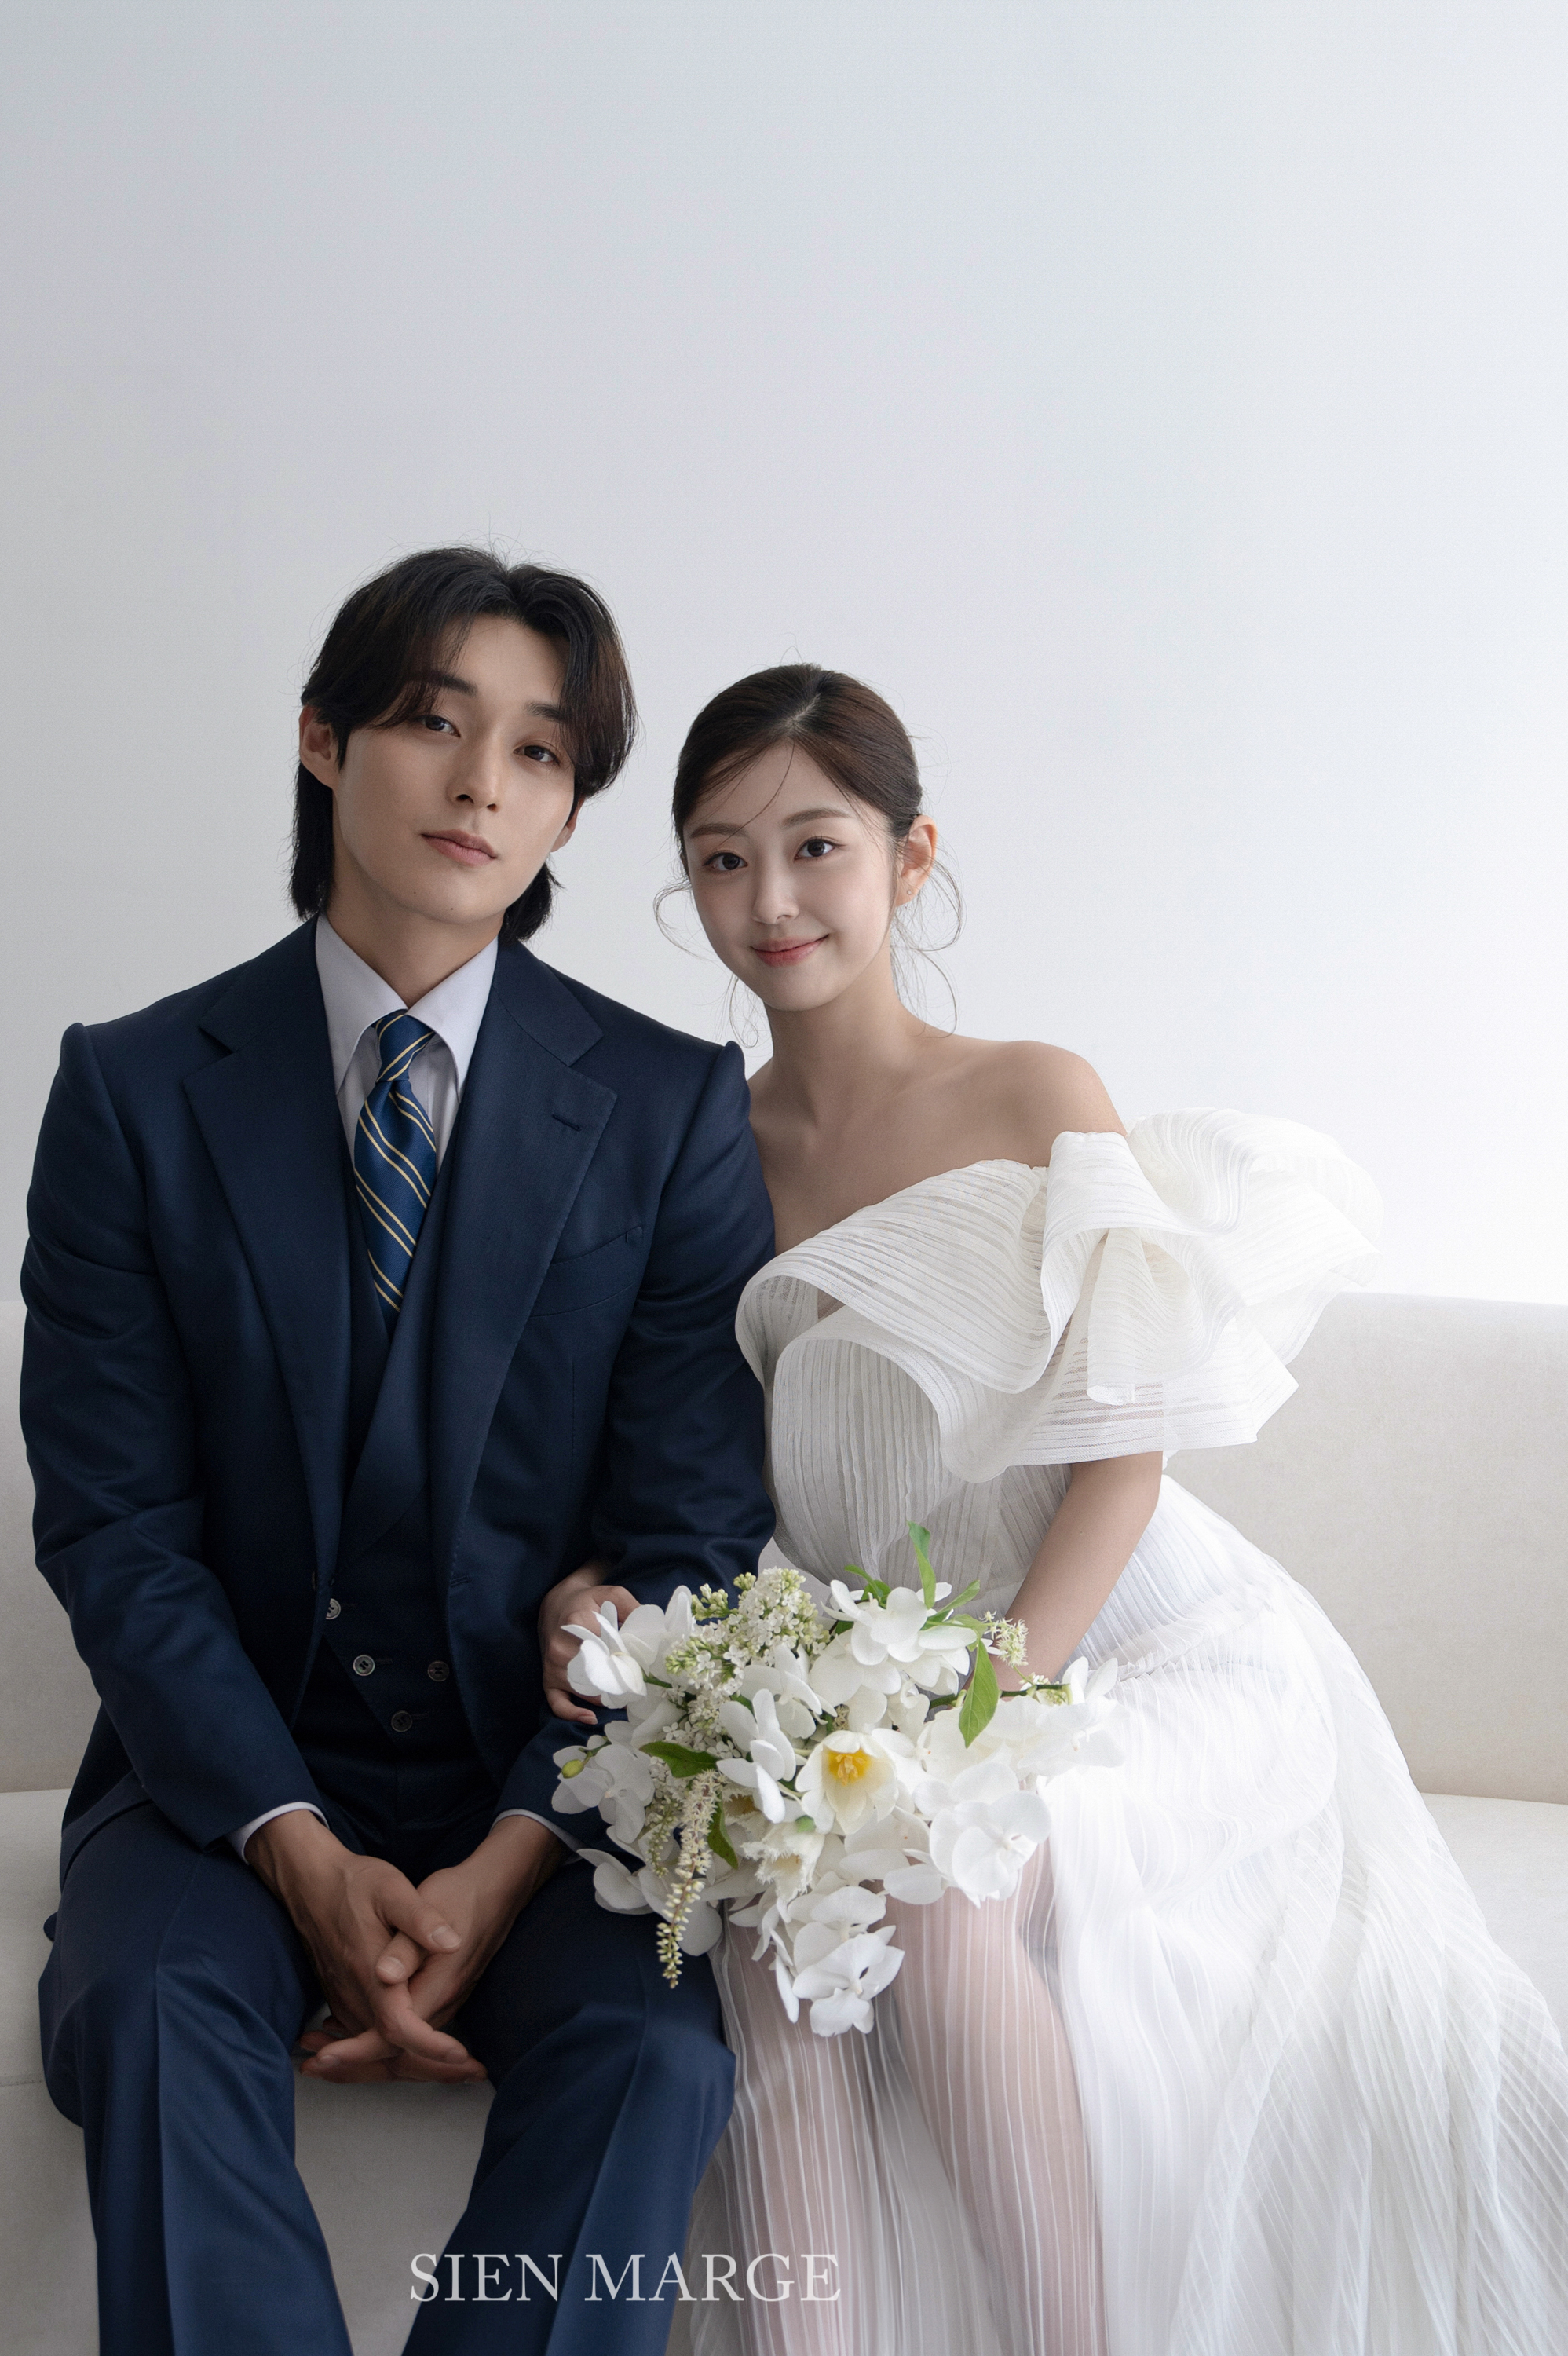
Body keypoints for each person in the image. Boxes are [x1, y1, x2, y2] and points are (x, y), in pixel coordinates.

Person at [542, 664, 1568, 2355]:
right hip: (874, 1675)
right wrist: (600, 1590)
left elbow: (1126, 1451)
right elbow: (685, 1457)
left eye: (816, 847)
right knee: (767, 1929)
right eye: (722, 860)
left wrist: (989, 1707)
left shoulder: (1032, 1092)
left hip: (1131, 1648)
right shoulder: (711, 1146)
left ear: (911, 856)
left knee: (945, 1911)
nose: (771, 899)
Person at [21, 547, 776, 2356]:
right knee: (146, 2012)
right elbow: (118, 1530)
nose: (481, 784)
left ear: (568, 808)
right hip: (223, 1788)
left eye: (540, 752)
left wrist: (511, 1853)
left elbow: (690, 1539)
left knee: (659, 2049)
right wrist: (290, 1842)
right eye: (436, 723)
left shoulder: (669, 1106)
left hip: (555, 1796)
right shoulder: (134, 1090)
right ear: (323, 740)